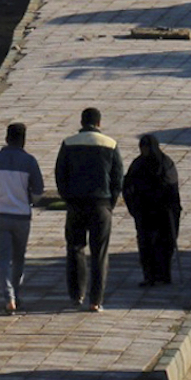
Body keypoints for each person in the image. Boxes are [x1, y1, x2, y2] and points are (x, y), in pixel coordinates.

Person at [55, 108, 126, 312]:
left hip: (76, 204)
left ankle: (77, 294)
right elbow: (117, 178)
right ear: (99, 123)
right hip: (101, 204)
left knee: (75, 248)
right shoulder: (110, 144)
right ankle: (96, 300)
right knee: (99, 253)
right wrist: (110, 204)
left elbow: (60, 175)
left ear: (82, 122)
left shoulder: (68, 143)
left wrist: (68, 198)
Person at [0, 121, 46, 314]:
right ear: (23, 140)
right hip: (22, 216)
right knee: (18, 257)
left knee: (3, 258)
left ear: (6, 138)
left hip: (0, 214)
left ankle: (9, 297)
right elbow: (39, 190)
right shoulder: (30, 161)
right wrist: (29, 201)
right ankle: (16, 291)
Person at [122, 133, 182, 286]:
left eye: (147, 148)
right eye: (142, 148)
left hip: (164, 211)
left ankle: (164, 275)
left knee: (165, 243)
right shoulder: (137, 164)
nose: (144, 151)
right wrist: (134, 206)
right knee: (146, 244)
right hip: (145, 211)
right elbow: (128, 185)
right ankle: (149, 276)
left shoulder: (165, 163)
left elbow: (171, 186)